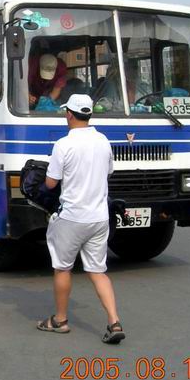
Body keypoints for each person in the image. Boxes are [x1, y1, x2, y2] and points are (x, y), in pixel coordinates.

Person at [37, 94, 125, 344]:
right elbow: (108, 172)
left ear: (69, 114)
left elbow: (50, 183)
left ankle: (60, 320)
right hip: (99, 217)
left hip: (72, 218)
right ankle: (114, 322)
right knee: (98, 271)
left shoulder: (63, 144)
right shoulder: (103, 141)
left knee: (63, 268)